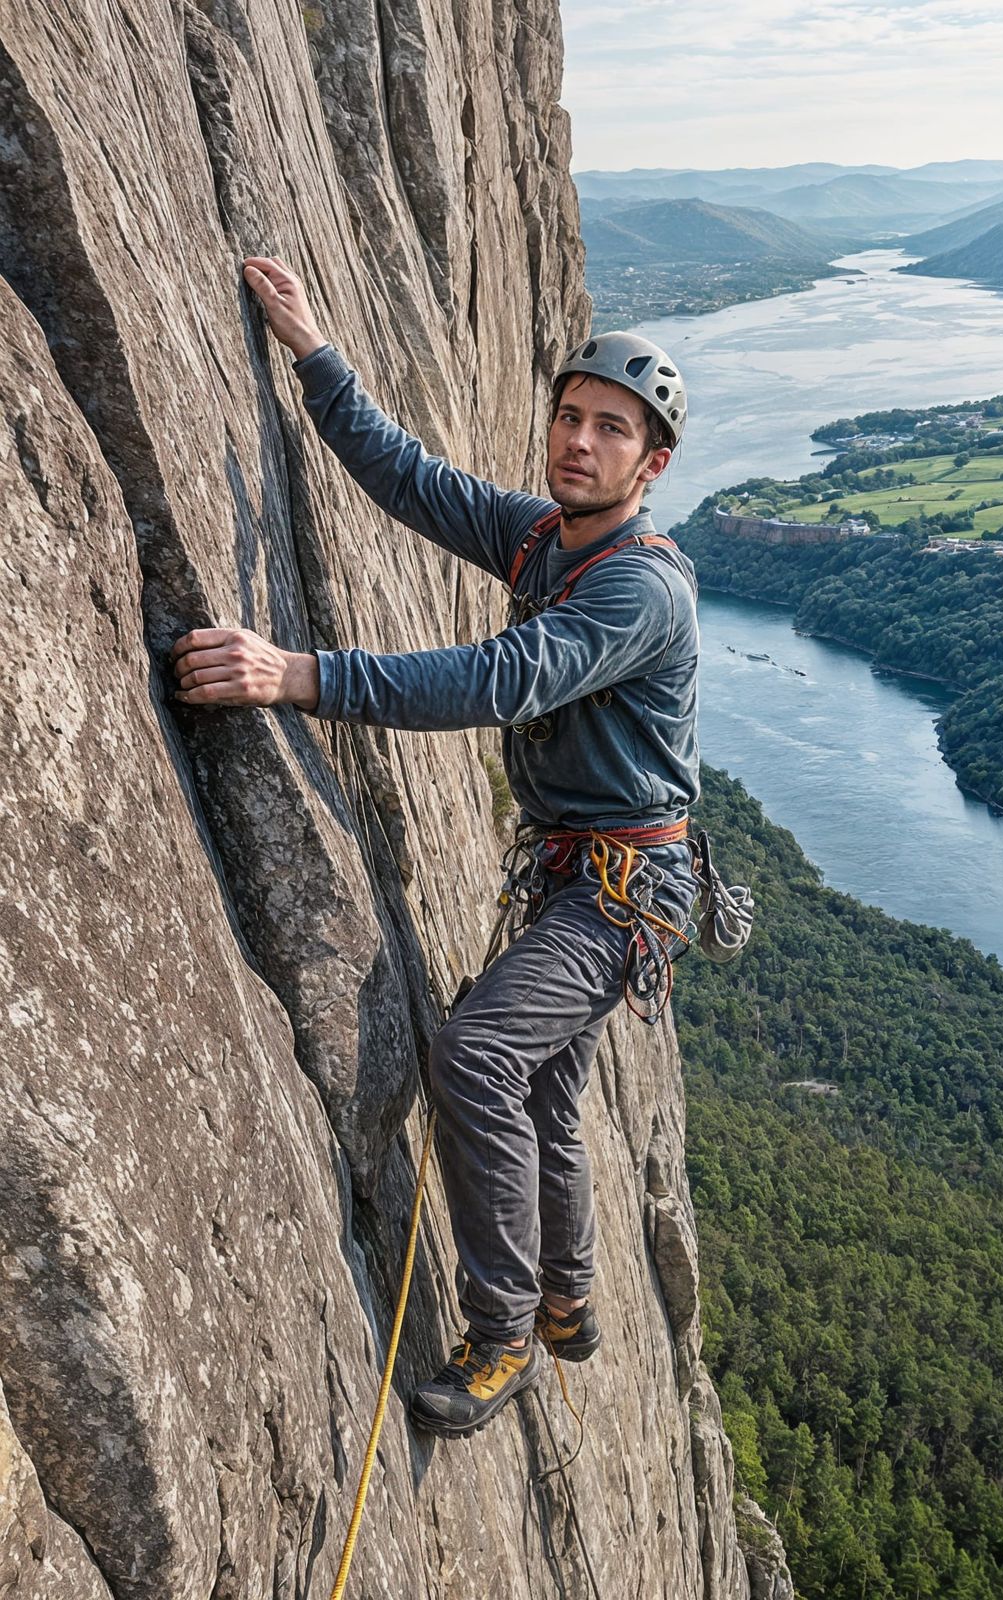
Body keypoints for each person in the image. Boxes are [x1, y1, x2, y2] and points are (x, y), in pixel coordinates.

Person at [172, 256, 700, 1438]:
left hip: (620, 895)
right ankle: (566, 1299)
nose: (577, 440)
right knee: (547, 1096)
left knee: (473, 1056)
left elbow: (504, 677)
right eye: (569, 416)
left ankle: (503, 1333)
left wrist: (297, 676)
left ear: (650, 464)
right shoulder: (541, 539)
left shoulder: (639, 592)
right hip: (585, 874)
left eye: (609, 430)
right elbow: (408, 478)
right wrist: (315, 352)